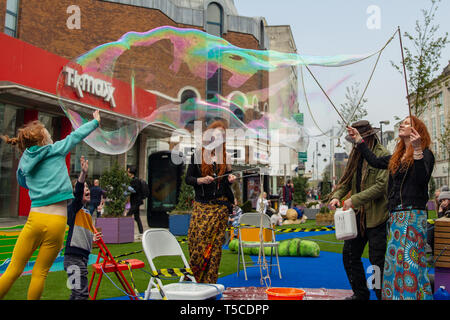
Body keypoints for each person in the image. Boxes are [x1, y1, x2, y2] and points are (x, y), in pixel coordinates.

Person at [0, 110, 100, 300]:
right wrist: (95, 122)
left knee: (13, 269)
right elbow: (77, 135)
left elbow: (22, 181)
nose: (50, 135)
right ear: (43, 140)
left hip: (35, 219)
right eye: (47, 132)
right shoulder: (56, 150)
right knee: (40, 273)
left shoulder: (24, 162)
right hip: (57, 223)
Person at [347, 115, 434, 300]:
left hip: (412, 215)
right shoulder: (397, 156)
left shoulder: (425, 154)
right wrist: (358, 139)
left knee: (409, 263)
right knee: (394, 263)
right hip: (396, 217)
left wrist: (417, 150)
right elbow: (375, 161)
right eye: (401, 122)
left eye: (407, 123)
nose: (402, 125)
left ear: (417, 131)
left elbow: (421, 180)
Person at [329, 120, 390, 300]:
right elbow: (346, 181)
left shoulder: (382, 154)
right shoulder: (356, 155)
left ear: (366, 137)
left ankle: (381, 296)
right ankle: (361, 294)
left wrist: (353, 200)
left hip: (376, 217)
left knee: (377, 262)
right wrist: (336, 196)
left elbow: (381, 186)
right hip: (357, 217)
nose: (353, 142)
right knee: (349, 256)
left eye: (355, 137)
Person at [185, 120, 236, 283]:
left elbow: (226, 183)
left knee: (214, 248)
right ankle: (193, 279)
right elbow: (188, 179)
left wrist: (231, 179)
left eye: (222, 134)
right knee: (197, 243)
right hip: (202, 207)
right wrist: (201, 180)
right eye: (217, 133)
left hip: (220, 208)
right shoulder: (198, 155)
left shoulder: (225, 157)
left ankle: (209, 283)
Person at [64, 156, 102, 300]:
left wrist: (92, 238)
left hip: (81, 258)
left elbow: (81, 232)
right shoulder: (75, 208)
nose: (87, 189)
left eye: (88, 187)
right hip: (73, 259)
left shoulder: (86, 212)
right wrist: (83, 174)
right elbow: (78, 192)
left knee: (76, 294)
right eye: (84, 187)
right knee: (82, 294)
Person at [126, 166, 144, 237]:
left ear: (131, 173)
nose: (127, 173)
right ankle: (141, 231)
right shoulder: (133, 180)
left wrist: (127, 187)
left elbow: (134, 190)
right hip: (135, 201)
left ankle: (126, 230)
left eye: (128, 171)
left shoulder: (136, 180)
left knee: (128, 215)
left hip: (136, 201)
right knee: (137, 217)